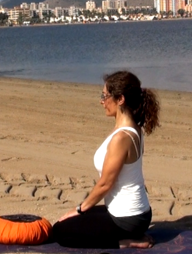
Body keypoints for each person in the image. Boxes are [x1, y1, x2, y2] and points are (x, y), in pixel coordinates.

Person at [52, 70, 161, 249]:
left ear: (120, 99)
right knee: (67, 222)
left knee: (60, 232)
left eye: (105, 96)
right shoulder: (133, 128)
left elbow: (105, 184)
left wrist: (79, 209)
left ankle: (125, 242)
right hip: (135, 214)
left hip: (127, 219)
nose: (101, 101)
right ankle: (130, 235)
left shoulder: (122, 137)